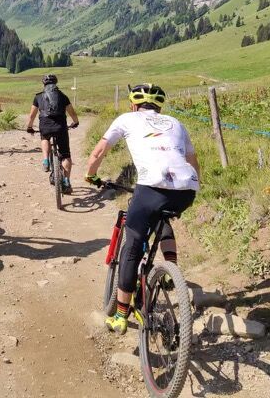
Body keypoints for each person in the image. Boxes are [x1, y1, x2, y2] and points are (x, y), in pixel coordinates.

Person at [84, 83, 201, 335]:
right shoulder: (176, 123)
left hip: (151, 187)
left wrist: (90, 176)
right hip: (186, 189)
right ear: (159, 106)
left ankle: (120, 314)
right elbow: (193, 161)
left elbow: (99, 151)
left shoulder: (127, 118)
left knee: (132, 244)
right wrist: (192, 188)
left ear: (133, 104)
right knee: (161, 216)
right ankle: (172, 271)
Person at [26, 73, 80, 194]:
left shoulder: (38, 96)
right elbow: (72, 113)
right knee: (65, 154)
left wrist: (29, 127)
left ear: (43, 84)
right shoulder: (63, 96)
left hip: (45, 124)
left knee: (44, 137)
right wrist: (75, 122)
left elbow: (32, 115)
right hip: (61, 127)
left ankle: (46, 160)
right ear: (56, 83)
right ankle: (66, 181)